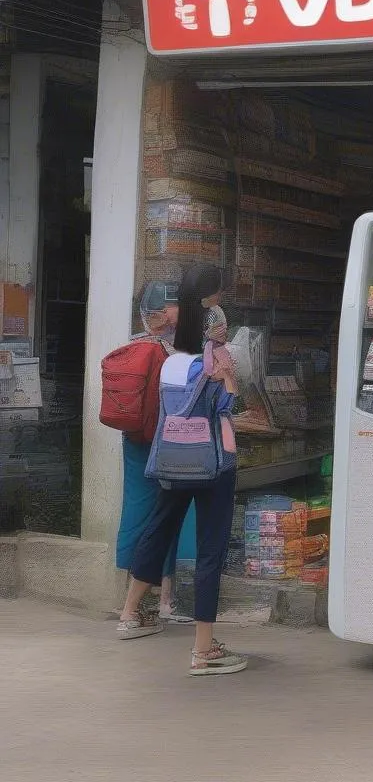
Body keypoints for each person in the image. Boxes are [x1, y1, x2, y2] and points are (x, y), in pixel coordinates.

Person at [117, 263, 247, 677]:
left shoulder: (171, 361)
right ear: (212, 317)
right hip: (214, 464)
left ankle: (130, 613)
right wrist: (229, 380)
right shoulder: (217, 358)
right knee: (210, 551)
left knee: (158, 527)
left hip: (174, 462)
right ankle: (204, 649)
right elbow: (227, 409)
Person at [115, 282, 191, 622]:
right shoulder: (175, 350)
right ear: (163, 313)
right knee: (171, 512)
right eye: (175, 307)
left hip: (134, 436)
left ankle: (128, 596)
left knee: (136, 510)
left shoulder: (132, 344)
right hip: (166, 438)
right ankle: (164, 599)